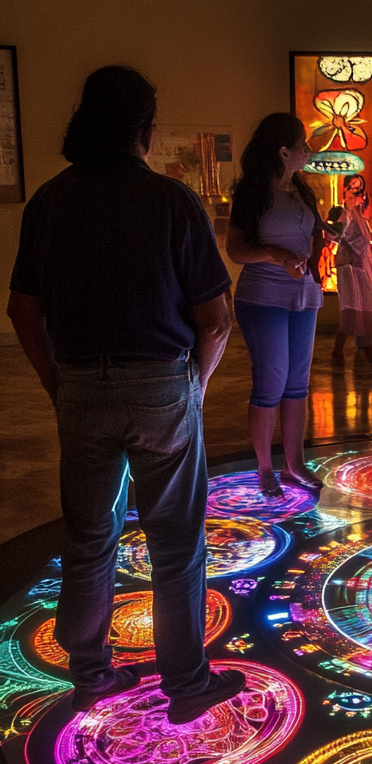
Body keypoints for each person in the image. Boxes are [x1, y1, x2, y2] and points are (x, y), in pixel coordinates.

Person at [7, 65, 245, 723]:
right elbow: (217, 317)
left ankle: (89, 675)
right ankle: (186, 683)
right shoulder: (171, 202)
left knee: (89, 536)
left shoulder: (49, 201)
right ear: (144, 129)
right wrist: (193, 385)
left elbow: (22, 309)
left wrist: (58, 381)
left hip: (81, 386)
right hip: (162, 385)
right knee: (175, 540)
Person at [227, 113, 327, 498]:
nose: (308, 150)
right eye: (303, 144)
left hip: (303, 296)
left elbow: (314, 232)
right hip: (263, 297)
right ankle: (265, 467)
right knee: (271, 382)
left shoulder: (302, 190)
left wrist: (319, 249)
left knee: (297, 385)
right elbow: (236, 249)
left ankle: (295, 464)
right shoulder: (252, 192)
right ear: (284, 152)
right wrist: (274, 253)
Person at [330, 174, 372, 366]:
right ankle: (341, 347)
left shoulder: (360, 214)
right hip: (349, 266)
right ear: (344, 189)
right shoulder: (343, 213)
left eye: (359, 189)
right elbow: (333, 234)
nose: (356, 193)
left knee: (366, 306)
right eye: (352, 188)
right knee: (351, 306)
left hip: (362, 265)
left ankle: (364, 344)